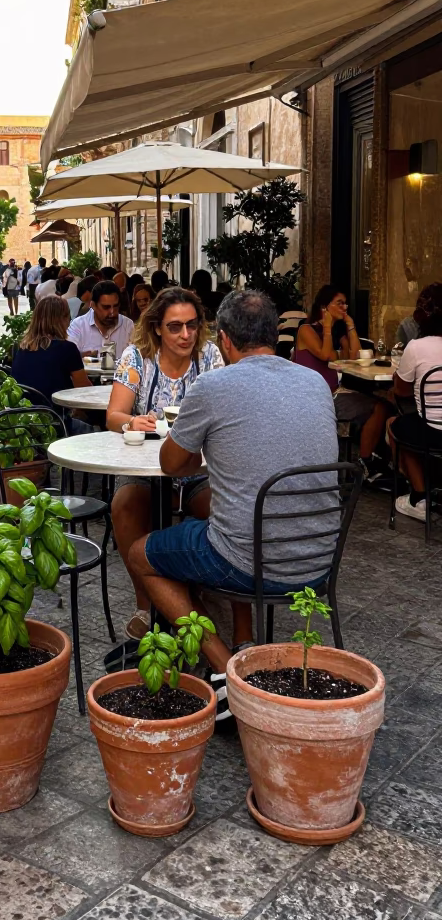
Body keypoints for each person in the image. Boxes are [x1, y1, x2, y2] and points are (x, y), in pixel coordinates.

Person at [127, 290, 340, 721]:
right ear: (275, 336)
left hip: (249, 561)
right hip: (320, 561)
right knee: (222, 518)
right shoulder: (316, 381)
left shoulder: (214, 385)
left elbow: (171, 464)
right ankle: (238, 650)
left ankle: (228, 672)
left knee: (140, 555)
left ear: (223, 340)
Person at [107, 287, 224, 638]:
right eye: (175, 327)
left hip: (196, 469)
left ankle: (208, 590)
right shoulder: (137, 356)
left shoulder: (210, 357)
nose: (185, 335)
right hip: (145, 466)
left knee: (226, 511)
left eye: (191, 325)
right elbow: (114, 414)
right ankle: (145, 604)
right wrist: (131, 422)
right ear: (157, 327)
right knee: (124, 505)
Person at [295, 285, 390, 481]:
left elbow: (355, 355)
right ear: (324, 307)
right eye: (339, 303)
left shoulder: (336, 333)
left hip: (335, 391)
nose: (344, 307)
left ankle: (369, 460)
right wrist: (328, 327)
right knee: (379, 407)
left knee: (382, 406)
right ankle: (366, 464)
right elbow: (324, 354)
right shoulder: (306, 330)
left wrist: (350, 324)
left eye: (346, 303)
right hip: (316, 397)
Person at [390, 283, 442, 520]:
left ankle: (419, 497)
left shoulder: (417, 347)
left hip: (432, 430)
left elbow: (400, 391)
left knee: (394, 424)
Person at [10, 296, 92, 403]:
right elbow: (84, 390)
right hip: (53, 415)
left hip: (21, 414)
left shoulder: (21, 347)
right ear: (63, 319)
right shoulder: (67, 348)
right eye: (68, 316)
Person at [68, 281, 134, 359]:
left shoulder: (128, 325)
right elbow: (68, 358)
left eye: (115, 306)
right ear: (93, 305)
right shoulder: (78, 326)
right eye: (106, 307)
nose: (112, 312)